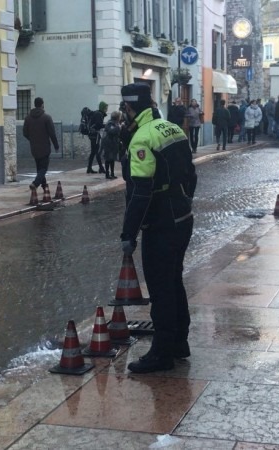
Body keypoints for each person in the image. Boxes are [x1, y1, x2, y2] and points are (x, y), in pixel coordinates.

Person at [119, 82, 196, 373]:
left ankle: (162, 353)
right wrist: (184, 201)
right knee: (174, 281)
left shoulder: (142, 138)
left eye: (124, 110)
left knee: (161, 288)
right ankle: (179, 343)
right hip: (182, 216)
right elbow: (191, 175)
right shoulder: (172, 128)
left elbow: (141, 193)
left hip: (161, 223)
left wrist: (129, 233)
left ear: (129, 108)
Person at [21, 97, 60, 197]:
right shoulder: (46, 118)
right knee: (43, 169)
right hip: (45, 147)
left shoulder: (28, 118)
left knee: (39, 168)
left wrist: (32, 139)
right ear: (42, 104)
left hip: (34, 147)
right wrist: (56, 145)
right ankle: (35, 183)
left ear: (34, 104)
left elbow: (25, 133)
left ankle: (45, 186)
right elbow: (52, 133)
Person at [86, 101, 107, 174]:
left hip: (92, 135)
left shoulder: (97, 113)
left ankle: (89, 168)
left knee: (93, 152)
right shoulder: (99, 114)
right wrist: (106, 125)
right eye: (106, 108)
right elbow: (99, 125)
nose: (107, 109)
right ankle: (101, 168)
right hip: (95, 135)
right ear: (103, 108)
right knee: (96, 151)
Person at [101, 111, 122, 179]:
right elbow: (111, 131)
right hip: (108, 144)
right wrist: (119, 127)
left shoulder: (115, 123)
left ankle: (112, 173)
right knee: (108, 159)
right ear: (117, 117)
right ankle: (107, 174)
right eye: (119, 117)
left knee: (112, 159)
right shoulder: (110, 123)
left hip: (112, 144)